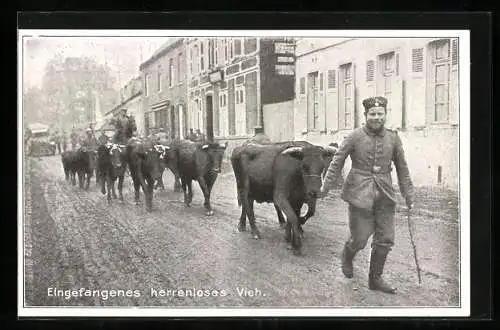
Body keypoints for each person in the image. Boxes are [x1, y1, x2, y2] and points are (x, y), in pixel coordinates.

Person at [319, 96, 414, 294]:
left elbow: (402, 167)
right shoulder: (354, 136)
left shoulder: (393, 138)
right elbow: (337, 161)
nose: (377, 118)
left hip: (385, 194)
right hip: (358, 193)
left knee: (385, 238)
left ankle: (375, 279)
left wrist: (408, 193)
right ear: (365, 115)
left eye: (380, 114)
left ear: (385, 115)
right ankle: (348, 253)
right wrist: (325, 187)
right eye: (373, 114)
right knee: (360, 238)